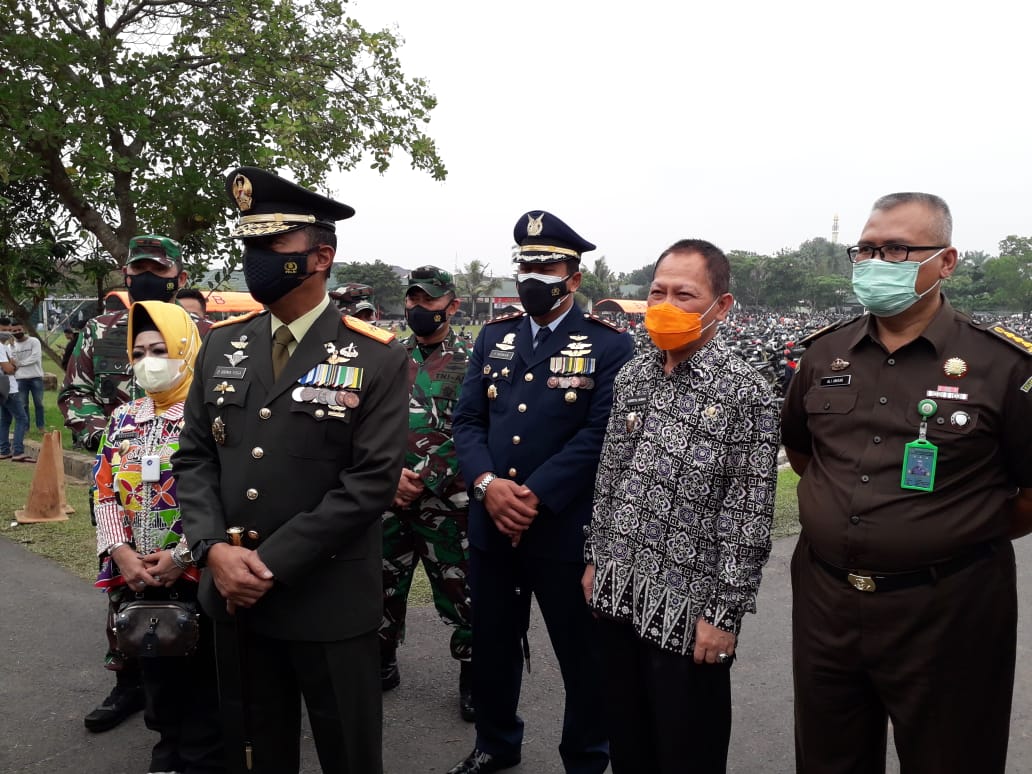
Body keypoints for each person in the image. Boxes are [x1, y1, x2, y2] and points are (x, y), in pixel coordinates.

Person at [782, 192, 1032, 774]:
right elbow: (804, 453)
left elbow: (1029, 494)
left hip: (949, 608)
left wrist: (942, 535)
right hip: (827, 601)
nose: (876, 262)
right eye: (866, 249)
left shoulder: (1002, 365)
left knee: (951, 757)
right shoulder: (824, 353)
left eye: (897, 249)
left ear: (945, 261)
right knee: (828, 758)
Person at [173, 166, 409, 774]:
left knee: (349, 755)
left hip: (327, 598)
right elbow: (195, 455)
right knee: (254, 752)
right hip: (234, 595)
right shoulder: (223, 345)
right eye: (248, 245)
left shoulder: (376, 355)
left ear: (320, 257)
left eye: (270, 246)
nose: (254, 260)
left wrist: (269, 565)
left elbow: (371, 483)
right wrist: (210, 550)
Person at [583, 239, 779, 773]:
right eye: (657, 292)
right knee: (629, 739)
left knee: (686, 749)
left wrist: (724, 615)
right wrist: (596, 558)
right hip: (619, 591)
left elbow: (749, 514)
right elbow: (610, 475)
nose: (666, 305)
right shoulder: (635, 374)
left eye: (685, 294)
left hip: (689, 612)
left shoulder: (745, 392)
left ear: (722, 305)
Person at [449, 210, 634, 774]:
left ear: (574, 277)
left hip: (562, 528)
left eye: (546, 264)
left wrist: (530, 496)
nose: (533, 274)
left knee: (581, 655)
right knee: (494, 645)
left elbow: (599, 435)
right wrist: (486, 485)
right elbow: (467, 421)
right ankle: (495, 743)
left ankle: (585, 756)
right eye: (525, 263)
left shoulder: (608, 347)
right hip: (491, 526)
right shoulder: (493, 337)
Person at [63, 234, 193, 734]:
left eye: (158, 271)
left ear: (178, 276)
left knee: (189, 590)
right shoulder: (100, 330)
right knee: (125, 583)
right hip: (121, 474)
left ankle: (196, 692)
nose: (147, 279)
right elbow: (76, 393)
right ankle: (127, 681)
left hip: (184, 485)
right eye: (138, 270)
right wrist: (115, 445)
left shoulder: (201, 331)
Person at [93, 300, 222, 774]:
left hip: (200, 571)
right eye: (139, 351)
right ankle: (167, 749)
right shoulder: (124, 417)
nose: (149, 361)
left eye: (160, 348)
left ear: (187, 348)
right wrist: (122, 553)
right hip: (138, 578)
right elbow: (103, 492)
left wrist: (181, 556)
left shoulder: (212, 414)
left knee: (204, 680)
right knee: (157, 671)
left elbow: (229, 496)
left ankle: (202, 757)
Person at [380, 265, 475, 721]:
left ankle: (472, 674)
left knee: (461, 593)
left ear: (451, 306)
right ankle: (381, 659)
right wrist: (392, 477)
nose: (419, 308)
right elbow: (371, 423)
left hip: (447, 502)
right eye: (413, 300)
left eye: (429, 301)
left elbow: (473, 428)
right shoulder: (390, 357)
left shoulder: (473, 360)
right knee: (380, 584)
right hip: (390, 497)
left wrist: (422, 477)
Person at [0, 331, 32, 462]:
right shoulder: (1, 347)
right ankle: (18, 451)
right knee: (22, 418)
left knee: (5, 419)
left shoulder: (5, 347)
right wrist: (12, 367)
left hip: (2, 387)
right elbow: (9, 369)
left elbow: (13, 362)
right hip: (9, 387)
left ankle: (4, 450)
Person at [10, 321, 45, 433]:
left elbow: (35, 357)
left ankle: (41, 427)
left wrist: (20, 363)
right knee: (23, 404)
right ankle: (26, 428)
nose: (17, 332)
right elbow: (12, 360)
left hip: (36, 377)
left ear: (23, 328)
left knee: (39, 404)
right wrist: (11, 346)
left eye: (19, 329)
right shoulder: (12, 346)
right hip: (20, 379)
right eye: (14, 331)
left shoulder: (34, 341)